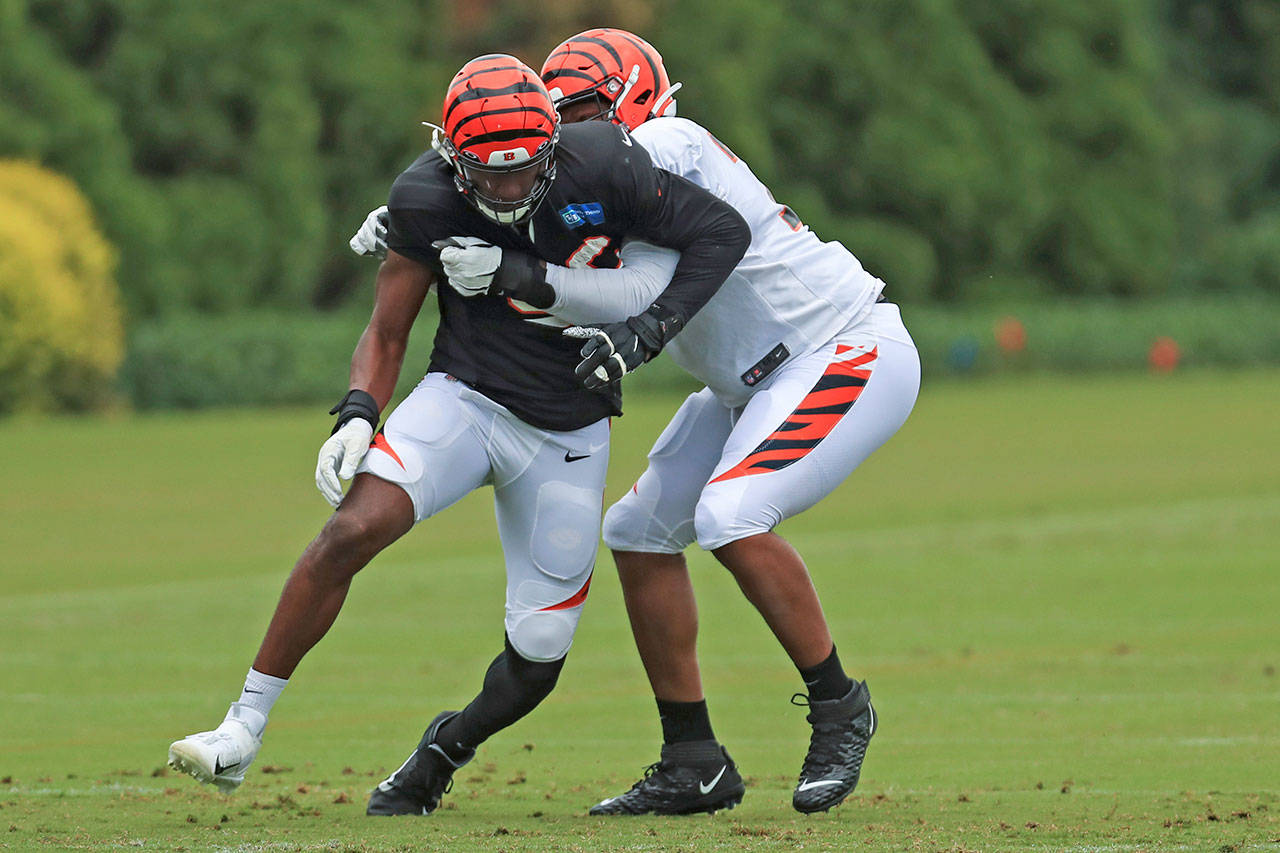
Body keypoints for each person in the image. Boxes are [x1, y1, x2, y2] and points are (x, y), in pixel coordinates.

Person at [166, 53, 750, 818]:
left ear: (554, 144)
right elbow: (386, 327)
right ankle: (242, 726)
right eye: (489, 173)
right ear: (450, 153)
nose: (508, 189)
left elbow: (718, 232)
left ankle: (443, 748)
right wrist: (355, 412)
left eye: (524, 170)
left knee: (538, 657)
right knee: (352, 528)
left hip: (568, 429)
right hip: (466, 398)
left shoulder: (605, 161)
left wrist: (645, 334)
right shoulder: (428, 193)